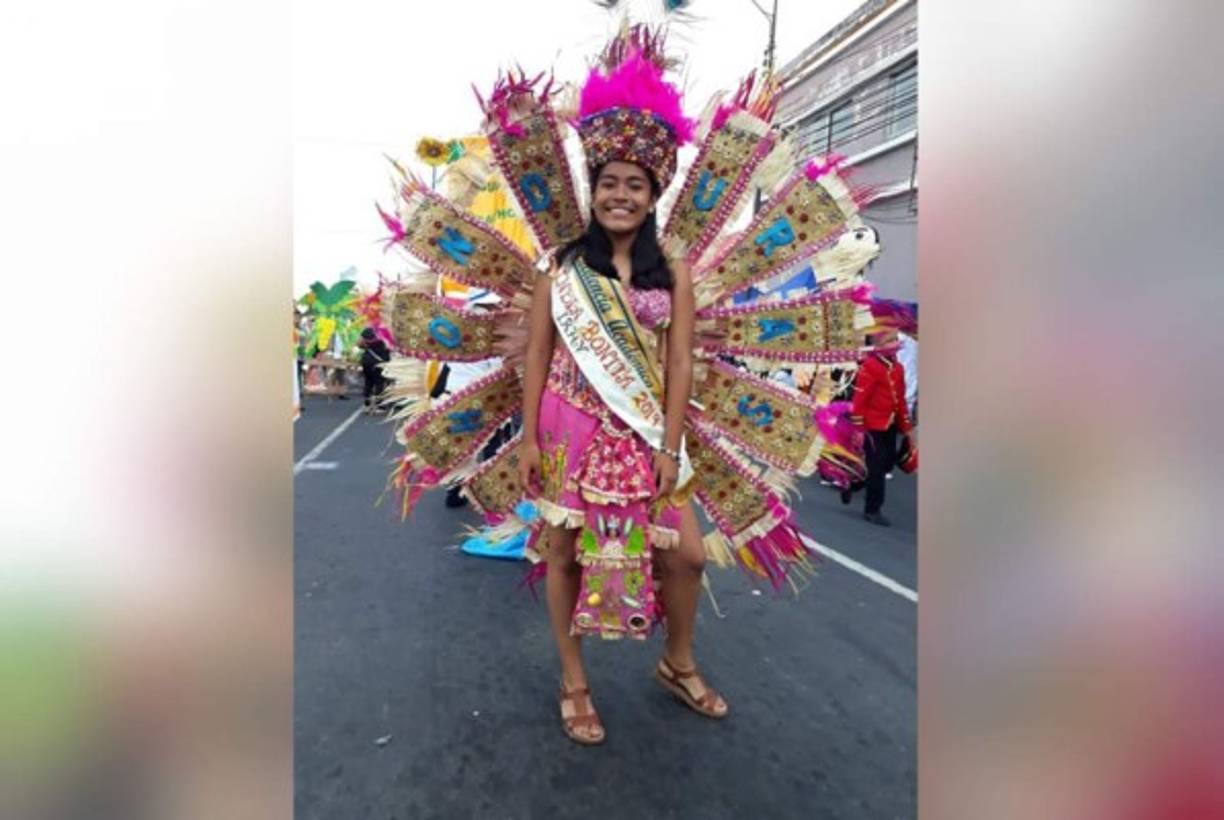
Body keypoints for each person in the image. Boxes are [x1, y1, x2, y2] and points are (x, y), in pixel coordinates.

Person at [843, 330, 913, 526]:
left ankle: (854, 484)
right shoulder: (870, 366)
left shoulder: (898, 368)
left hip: (889, 425)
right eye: (890, 341)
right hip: (871, 426)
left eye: (896, 340)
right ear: (880, 346)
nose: (895, 343)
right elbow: (860, 399)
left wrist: (906, 427)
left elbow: (900, 400)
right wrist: (858, 428)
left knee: (888, 463)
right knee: (877, 468)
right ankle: (872, 509)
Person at [357, 327, 391, 414]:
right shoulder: (386, 331)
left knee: (368, 382)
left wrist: (367, 346)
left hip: (368, 360)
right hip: (381, 361)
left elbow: (359, 343)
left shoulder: (368, 330)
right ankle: (379, 406)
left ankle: (367, 405)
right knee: (380, 383)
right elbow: (391, 346)